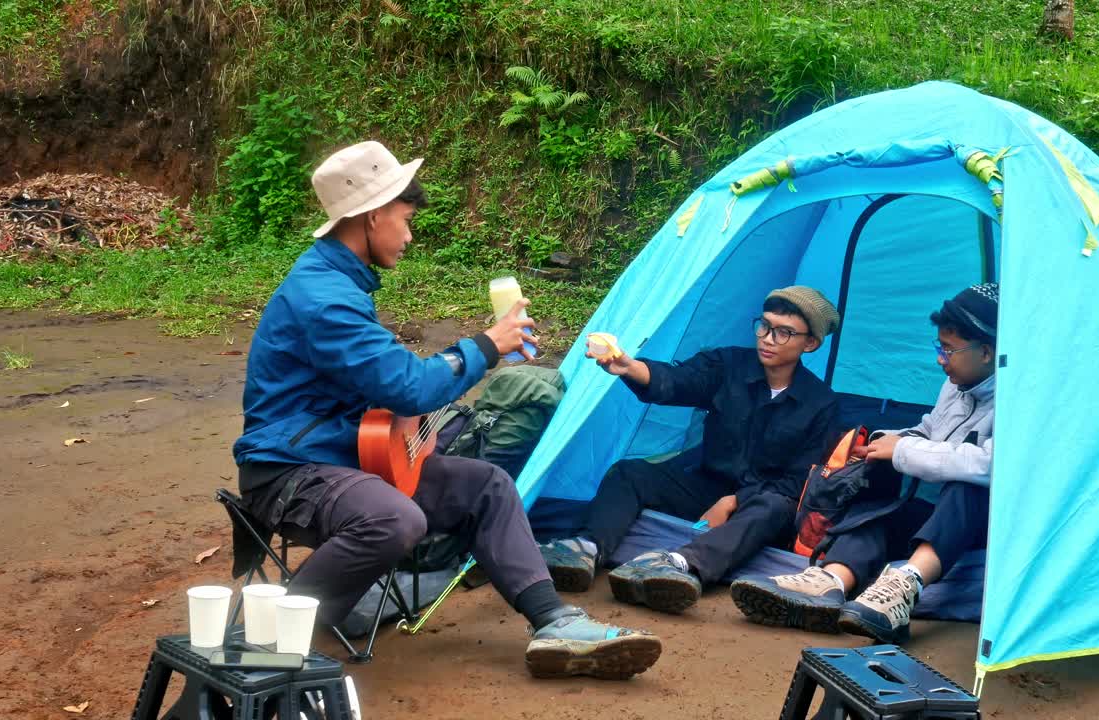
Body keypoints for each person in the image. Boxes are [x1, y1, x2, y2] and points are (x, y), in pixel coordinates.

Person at [231, 141, 661, 680]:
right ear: (373, 215)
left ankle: (556, 623)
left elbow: (382, 386)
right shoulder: (324, 298)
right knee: (394, 517)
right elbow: (407, 386)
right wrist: (485, 345)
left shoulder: (339, 282)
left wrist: (406, 432)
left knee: (486, 485)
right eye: (406, 220)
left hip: (347, 457)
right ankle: (271, 644)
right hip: (290, 470)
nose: (409, 235)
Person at [539, 287, 840, 614]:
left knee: (775, 507)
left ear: (810, 344)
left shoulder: (820, 404)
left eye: (785, 333)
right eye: (764, 326)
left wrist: (733, 502)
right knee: (631, 472)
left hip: (761, 503)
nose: (768, 338)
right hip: (707, 486)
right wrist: (627, 365)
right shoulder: (729, 365)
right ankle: (586, 548)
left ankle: (681, 566)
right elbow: (677, 381)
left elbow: (800, 484)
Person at [730, 282, 998, 644]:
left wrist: (902, 451)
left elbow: (992, 466)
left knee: (969, 486)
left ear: (986, 352)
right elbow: (931, 429)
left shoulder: (1021, 398)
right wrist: (883, 442)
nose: (940, 359)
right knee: (881, 508)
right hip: (939, 515)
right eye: (940, 347)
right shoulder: (956, 383)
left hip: (989, 523)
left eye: (948, 350)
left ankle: (906, 585)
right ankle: (831, 581)